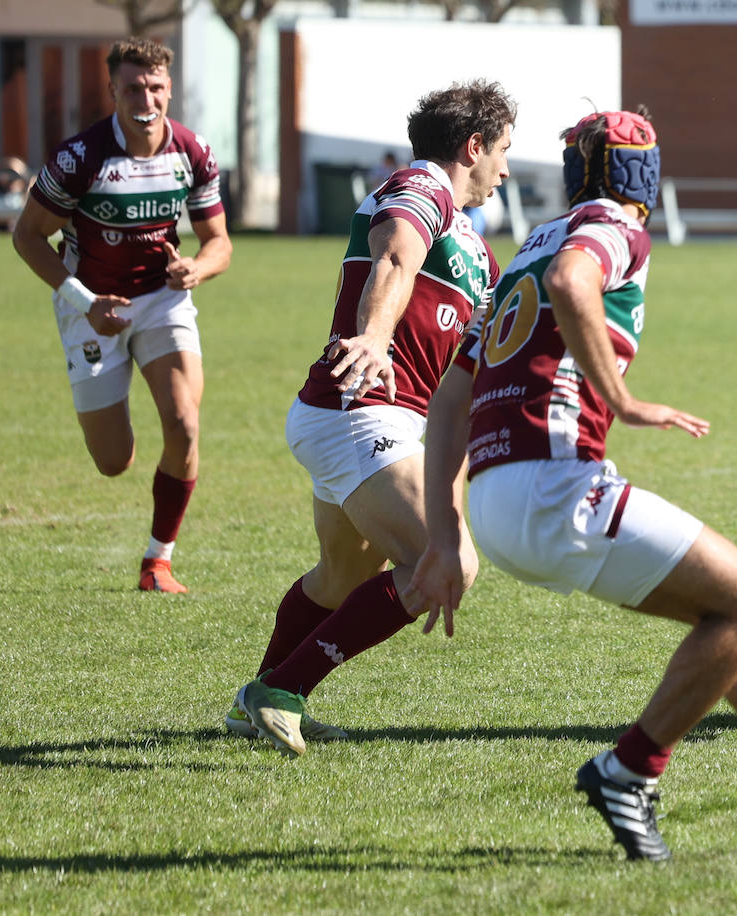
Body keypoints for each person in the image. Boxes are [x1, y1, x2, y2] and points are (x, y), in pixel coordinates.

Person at [398, 108, 737, 861]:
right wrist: (623, 400)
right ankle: (629, 769)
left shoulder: (524, 249)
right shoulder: (614, 226)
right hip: (554, 487)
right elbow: (574, 283)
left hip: (499, 502)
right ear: (638, 172)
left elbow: (452, 395)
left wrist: (448, 534)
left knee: (726, 619)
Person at [230, 80, 516, 753]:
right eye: (502, 152)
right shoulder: (420, 187)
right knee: (445, 563)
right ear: (471, 147)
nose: (505, 169)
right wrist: (376, 335)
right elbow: (395, 257)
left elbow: (470, 367)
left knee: (342, 579)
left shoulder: (475, 245)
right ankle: (282, 691)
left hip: (373, 420)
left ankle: (262, 692)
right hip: (362, 410)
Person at [11, 37, 232, 593]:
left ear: (169, 89)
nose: (146, 98)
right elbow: (27, 236)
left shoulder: (192, 151)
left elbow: (219, 242)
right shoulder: (79, 158)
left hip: (162, 300)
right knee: (114, 461)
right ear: (112, 90)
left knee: (184, 422)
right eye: (133, 87)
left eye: (155, 86)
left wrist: (197, 271)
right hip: (90, 306)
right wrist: (85, 303)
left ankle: (158, 561)